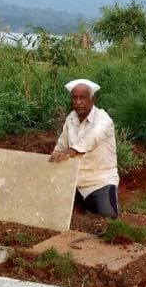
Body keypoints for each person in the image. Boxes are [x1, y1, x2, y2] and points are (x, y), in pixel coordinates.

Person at [49, 78, 120, 218]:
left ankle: (104, 200)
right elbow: (62, 143)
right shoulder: (71, 118)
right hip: (73, 179)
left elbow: (93, 137)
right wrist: (55, 157)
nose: (78, 102)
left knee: (108, 214)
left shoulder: (103, 119)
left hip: (99, 180)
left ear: (92, 99)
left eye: (83, 98)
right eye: (74, 98)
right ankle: (80, 202)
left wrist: (72, 150)